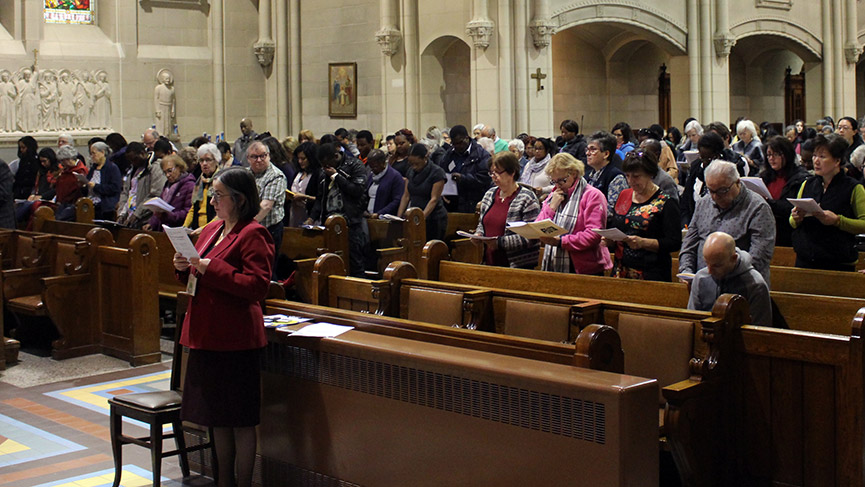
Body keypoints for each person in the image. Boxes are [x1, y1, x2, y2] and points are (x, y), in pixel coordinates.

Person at [172, 168, 273, 487]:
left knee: (240, 419)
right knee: (216, 418)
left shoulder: (253, 233)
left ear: (240, 199)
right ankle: (223, 481)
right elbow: (197, 275)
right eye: (212, 194)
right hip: (206, 334)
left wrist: (210, 268)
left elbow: (257, 286)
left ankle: (243, 483)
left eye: (219, 195)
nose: (212, 201)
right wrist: (182, 268)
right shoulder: (211, 229)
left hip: (235, 338)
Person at [679, 160, 775, 283]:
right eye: (711, 190)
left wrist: (718, 276)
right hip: (703, 286)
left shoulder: (758, 208)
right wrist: (686, 270)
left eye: (722, 191)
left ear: (737, 183)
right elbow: (690, 243)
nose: (714, 197)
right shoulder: (704, 203)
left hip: (743, 285)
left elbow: (759, 257)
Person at [790, 134, 865, 271]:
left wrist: (837, 221)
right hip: (805, 259)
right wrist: (796, 218)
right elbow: (793, 221)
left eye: (822, 157)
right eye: (814, 155)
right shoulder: (807, 184)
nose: (816, 161)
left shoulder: (854, 187)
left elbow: (863, 224)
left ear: (837, 161)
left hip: (837, 261)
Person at [608, 150, 681, 281]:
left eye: (636, 176)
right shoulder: (624, 195)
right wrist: (609, 240)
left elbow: (674, 243)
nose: (630, 181)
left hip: (651, 272)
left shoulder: (665, 202)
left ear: (650, 174)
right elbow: (617, 225)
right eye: (627, 176)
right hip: (621, 270)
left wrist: (644, 243)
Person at [536, 153, 610, 274]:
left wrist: (561, 241)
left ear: (574, 173)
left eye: (561, 180)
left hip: (584, 266)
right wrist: (552, 207)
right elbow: (539, 226)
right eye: (553, 181)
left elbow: (594, 235)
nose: (557, 185)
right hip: (554, 262)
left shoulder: (592, 195)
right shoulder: (554, 194)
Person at [308, 142, 369, 277]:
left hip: (351, 222)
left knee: (355, 263)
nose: (324, 168)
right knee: (331, 263)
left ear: (336, 156)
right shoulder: (324, 171)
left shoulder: (355, 165)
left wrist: (336, 176)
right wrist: (312, 217)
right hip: (330, 223)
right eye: (322, 165)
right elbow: (320, 198)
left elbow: (357, 190)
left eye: (327, 164)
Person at [688, 232, 772, 327]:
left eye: (717, 265)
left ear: (733, 258)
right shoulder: (700, 278)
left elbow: (761, 330)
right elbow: (693, 321)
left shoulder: (755, 285)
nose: (709, 271)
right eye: (707, 263)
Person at [473, 151, 540, 268]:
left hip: (517, 265)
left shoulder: (526, 198)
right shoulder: (490, 194)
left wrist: (500, 243)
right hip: (490, 262)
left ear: (512, 172)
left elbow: (532, 236)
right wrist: (479, 234)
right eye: (492, 173)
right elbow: (482, 223)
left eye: (498, 172)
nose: (494, 177)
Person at [246, 141, 287, 273]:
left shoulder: (276, 175)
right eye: (254, 157)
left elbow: (266, 206)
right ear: (248, 159)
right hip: (249, 229)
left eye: (262, 156)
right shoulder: (245, 174)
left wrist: (246, 226)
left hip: (269, 230)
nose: (259, 160)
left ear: (268, 156)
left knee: (267, 270)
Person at [760, 136, 808, 247]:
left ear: (787, 154)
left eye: (776, 154)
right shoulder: (765, 177)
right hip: (765, 229)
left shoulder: (800, 178)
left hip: (787, 232)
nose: (771, 158)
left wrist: (769, 203)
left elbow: (792, 206)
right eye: (769, 155)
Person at [397, 143, 447, 241]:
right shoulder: (410, 171)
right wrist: (399, 217)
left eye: (416, 164)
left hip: (434, 218)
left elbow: (434, 199)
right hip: (414, 215)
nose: (414, 167)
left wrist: (421, 218)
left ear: (425, 158)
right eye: (411, 164)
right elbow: (406, 196)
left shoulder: (437, 172)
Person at [437, 124, 492, 213]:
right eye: (454, 143)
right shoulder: (449, 154)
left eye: (460, 142)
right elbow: (441, 171)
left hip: (473, 202)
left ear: (467, 138)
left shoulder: (481, 155)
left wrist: (463, 178)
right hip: (452, 203)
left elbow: (484, 178)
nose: (457, 146)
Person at [144, 154, 195, 230]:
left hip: (177, 229)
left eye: (170, 171)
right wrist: (151, 223)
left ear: (179, 167)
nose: (168, 175)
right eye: (165, 172)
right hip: (163, 228)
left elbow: (188, 212)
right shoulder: (167, 185)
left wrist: (168, 216)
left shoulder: (189, 185)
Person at [584, 131, 628, 219]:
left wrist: (585, 215)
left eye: (593, 150)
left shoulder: (616, 177)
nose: (587, 153)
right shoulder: (588, 176)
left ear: (606, 154)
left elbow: (612, 211)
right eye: (587, 150)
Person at [184, 144, 221, 232]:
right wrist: (184, 227)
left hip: (214, 229)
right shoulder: (199, 181)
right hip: (197, 229)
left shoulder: (222, 180)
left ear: (216, 160)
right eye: (201, 160)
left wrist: (203, 229)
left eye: (208, 160)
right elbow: (193, 208)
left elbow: (221, 215)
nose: (204, 164)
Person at [287, 142, 322, 227]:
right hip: (295, 213)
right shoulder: (298, 173)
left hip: (311, 216)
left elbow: (321, 199)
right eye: (298, 158)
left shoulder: (318, 174)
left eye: (303, 159)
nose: (300, 161)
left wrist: (304, 197)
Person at [86, 141, 122, 220]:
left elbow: (114, 188)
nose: (92, 156)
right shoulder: (93, 168)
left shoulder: (112, 168)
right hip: (90, 202)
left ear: (102, 152)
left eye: (94, 153)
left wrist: (96, 187)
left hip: (104, 204)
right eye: (91, 153)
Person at [365, 148, 403, 219]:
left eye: (375, 167)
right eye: (371, 167)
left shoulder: (395, 176)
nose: (373, 170)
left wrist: (380, 213)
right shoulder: (371, 176)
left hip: (385, 219)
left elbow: (397, 200)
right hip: (369, 217)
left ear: (383, 163)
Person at [54, 145, 88, 221]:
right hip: (62, 203)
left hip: (73, 204)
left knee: (60, 220)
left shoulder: (80, 171)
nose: (62, 164)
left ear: (69, 159)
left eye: (63, 161)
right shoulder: (65, 171)